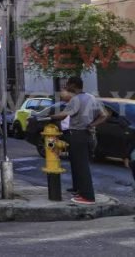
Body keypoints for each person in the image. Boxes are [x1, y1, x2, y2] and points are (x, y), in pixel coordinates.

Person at [49, 76, 108, 205]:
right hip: (88, 135)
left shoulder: (76, 99)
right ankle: (79, 190)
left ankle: (87, 197)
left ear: (74, 86)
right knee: (79, 164)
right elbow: (104, 115)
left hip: (77, 135)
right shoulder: (91, 98)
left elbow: (63, 115)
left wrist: (49, 117)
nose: (66, 87)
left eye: (68, 84)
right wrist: (92, 125)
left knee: (82, 167)